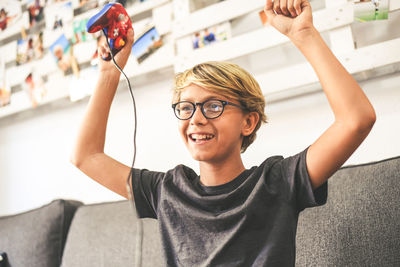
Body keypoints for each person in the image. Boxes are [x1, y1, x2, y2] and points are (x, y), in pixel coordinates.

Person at [70, 0, 376, 266]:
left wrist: (304, 34)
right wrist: (109, 73)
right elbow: (86, 156)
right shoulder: (167, 190)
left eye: (213, 106)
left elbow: (356, 120)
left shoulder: (278, 181)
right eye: (186, 108)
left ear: (249, 122)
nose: (196, 119)